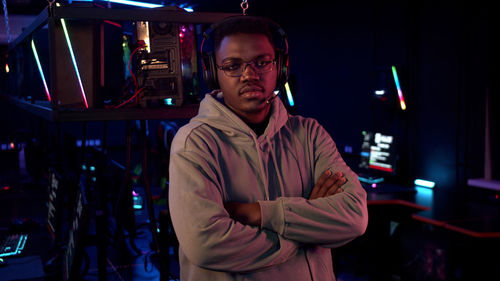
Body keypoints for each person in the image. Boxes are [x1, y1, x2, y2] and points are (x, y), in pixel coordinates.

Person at [168, 16, 368, 281]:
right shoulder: (194, 143)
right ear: (212, 73)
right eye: (233, 65)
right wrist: (306, 229)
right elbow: (206, 245)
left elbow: (354, 217)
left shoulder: (309, 134)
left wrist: (258, 213)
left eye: (262, 62)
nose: (250, 75)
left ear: (281, 68)